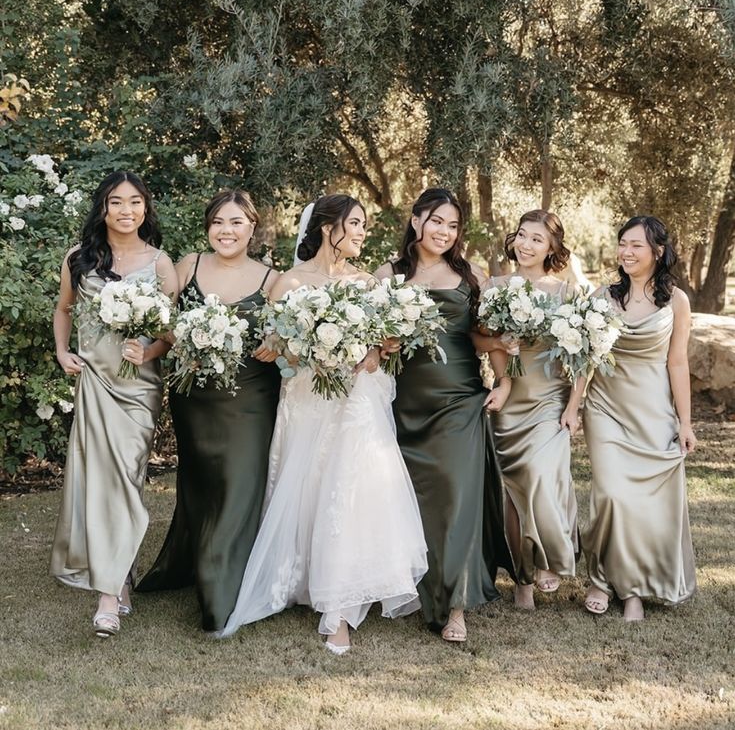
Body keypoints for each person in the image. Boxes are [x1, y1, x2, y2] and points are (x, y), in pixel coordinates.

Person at [217, 194, 427, 654]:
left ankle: (339, 608)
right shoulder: (290, 283)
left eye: (364, 225)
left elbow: (380, 351)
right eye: (354, 223)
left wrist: (376, 349)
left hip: (356, 401)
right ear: (327, 226)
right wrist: (309, 349)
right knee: (310, 485)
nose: (361, 232)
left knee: (349, 488)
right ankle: (307, 581)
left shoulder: (368, 283)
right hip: (309, 397)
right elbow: (277, 352)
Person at [136, 190, 281, 632]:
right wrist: (171, 338)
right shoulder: (188, 266)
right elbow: (161, 319)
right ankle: (194, 563)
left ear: (252, 228)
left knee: (240, 486)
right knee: (200, 484)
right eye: (218, 222)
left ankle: (221, 594)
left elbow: (290, 334)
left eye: (236, 222)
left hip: (251, 400)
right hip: (194, 398)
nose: (226, 231)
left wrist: (277, 342)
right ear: (208, 227)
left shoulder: (273, 279)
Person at [375, 187, 514, 644]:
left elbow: (483, 334)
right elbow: (371, 341)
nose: (445, 232)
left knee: (456, 499)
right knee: (413, 504)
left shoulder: (470, 274)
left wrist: (504, 379)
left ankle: (456, 606)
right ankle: (415, 589)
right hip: (404, 402)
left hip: (458, 398)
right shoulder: (389, 274)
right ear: (416, 221)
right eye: (437, 221)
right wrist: (384, 342)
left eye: (453, 225)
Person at [51, 171, 178, 637]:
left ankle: (115, 572)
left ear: (146, 207)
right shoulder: (78, 259)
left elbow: (169, 332)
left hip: (139, 388)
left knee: (128, 478)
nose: (127, 211)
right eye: (117, 202)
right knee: (102, 481)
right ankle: (111, 591)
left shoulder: (161, 263)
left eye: (136, 202)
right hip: (95, 381)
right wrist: (63, 352)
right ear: (102, 207)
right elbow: (63, 310)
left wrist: (147, 350)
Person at [569, 215, 697, 621]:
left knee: (642, 505)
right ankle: (601, 579)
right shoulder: (601, 298)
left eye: (636, 245)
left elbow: (677, 363)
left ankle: (633, 589)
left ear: (657, 251)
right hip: (606, 407)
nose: (626, 251)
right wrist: (574, 406)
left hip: (653, 412)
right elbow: (585, 359)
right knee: (610, 494)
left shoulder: (676, 300)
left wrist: (685, 421)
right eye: (622, 243)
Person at [480, 209, 580, 610]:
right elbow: (483, 341)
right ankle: (521, 580)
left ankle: (547, 558)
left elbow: (583, 356)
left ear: (552, 247)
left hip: (549, 400)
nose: (526, 244)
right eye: (522, 235)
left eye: (537, 239)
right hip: (510, 398)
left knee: (540, 476)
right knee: (513, 493)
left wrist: (575, 405)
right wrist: (503, 351)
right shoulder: (496, 286)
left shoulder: (565, 292)